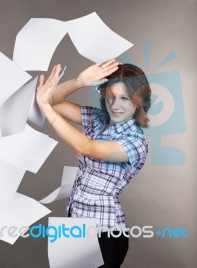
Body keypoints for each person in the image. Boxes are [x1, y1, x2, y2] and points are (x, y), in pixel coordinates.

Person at [36, 59, 151, 268]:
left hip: (104, 232)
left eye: (124, 98)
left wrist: (45, 106)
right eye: (110, 97)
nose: (115, 106)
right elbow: (51, 100)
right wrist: (79, 81)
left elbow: (85, 147)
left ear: (139, 100)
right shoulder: (98, 119)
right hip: (73, 222)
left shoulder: (136, 142)